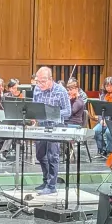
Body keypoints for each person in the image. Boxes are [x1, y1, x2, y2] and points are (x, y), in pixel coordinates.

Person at [31, 67, 71, 195]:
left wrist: (53, 114)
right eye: (38, 81)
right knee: (40, 155)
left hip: (56, 126)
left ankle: (52, 185)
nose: (39, 84)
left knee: (52, 156)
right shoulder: (37, 89)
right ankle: (46, 180)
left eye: (42, 81)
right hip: (41, 126)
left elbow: (68, 111)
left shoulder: (61, 91)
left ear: (50, 79)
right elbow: (34, 105)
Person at [94, 77, 112, 156]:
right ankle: (102, 149)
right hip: (104, 120)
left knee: (109, 132)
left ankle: (110, 151)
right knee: (96, 131)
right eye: (107, 86)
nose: (109, 88)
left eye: (110, 86)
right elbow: (99, 111)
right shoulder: (103, 96)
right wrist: (101, 120)